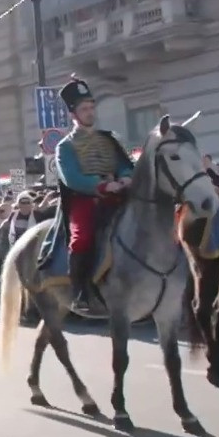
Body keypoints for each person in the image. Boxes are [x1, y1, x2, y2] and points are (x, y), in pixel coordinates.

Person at [54, 76, 134, 313]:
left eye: (91, 107)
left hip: (119, 194)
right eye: (84, 109)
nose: (90, 112)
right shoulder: (65, 146)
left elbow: (124, 164)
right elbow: (72, 178)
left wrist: (126, 176)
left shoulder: (109, 138)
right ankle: (81, 291)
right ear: (73, 114)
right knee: (82, 239)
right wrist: (101, 186)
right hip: (85, 200)